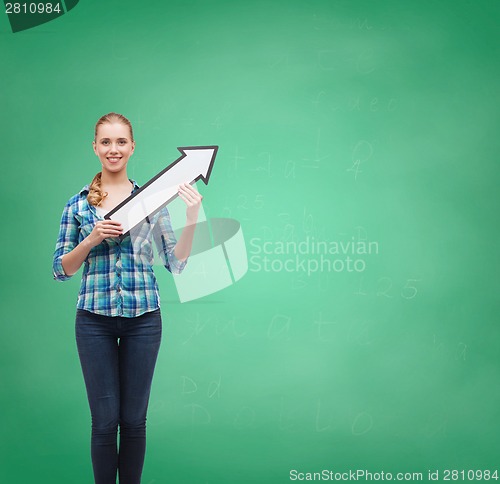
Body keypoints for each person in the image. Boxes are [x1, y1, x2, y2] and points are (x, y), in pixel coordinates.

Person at [52, 112, 201, 484]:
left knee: (134, 421)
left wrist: (193, 213)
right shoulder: (78, 205)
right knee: (104, 422)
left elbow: (176, 263)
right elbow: (61, 269)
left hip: (144, 320)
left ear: (132, 147)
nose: (113, 149)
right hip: (93, 321)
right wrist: (91, 238)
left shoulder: (151, 200)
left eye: (121, 142)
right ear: (95, 147)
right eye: (106, 142)